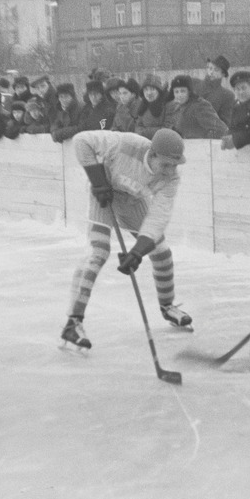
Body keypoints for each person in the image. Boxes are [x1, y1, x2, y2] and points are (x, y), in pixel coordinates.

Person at [61, 128, 193, 349]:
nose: (170, 170)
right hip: (103, 198)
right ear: (152, 154)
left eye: (175, 165)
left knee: (161, 252)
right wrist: (98, 181)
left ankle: (168, 307)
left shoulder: (170, 179)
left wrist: (137, 252)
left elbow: (158, 219)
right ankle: (73, 322)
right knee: (99, 253)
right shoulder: (125, 145)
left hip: (133, 203)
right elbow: (81, 141)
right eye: (166, 164)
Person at [163, 74, 228, 139]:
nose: (179, 95)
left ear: (189, 91)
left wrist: (202, 140)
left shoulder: (199, 106)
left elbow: (222, 129)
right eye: (176, 92)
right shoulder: (176, 109)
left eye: (182, 91)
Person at [221, 70, 250, 150]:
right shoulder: (236, 105)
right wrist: (226, 137)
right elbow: (233, 127)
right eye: (237, 89)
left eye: (244, 88)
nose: (240, 92)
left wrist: (236, 140)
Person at [198, 55, 235, 126]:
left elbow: (225, 123)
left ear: (223, 74)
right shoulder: (195, 85)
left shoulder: (227, 95)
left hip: (209, 134)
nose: (211, 72)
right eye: (210, 68)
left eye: (216, 70)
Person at [135, 74, 169, 139]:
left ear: (159, 91)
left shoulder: (167, 105)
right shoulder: (142, 106)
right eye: (146, 90)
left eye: (152, 89)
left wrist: (144, 133)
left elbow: (167, 128)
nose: (149, 93)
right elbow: (138, 126)